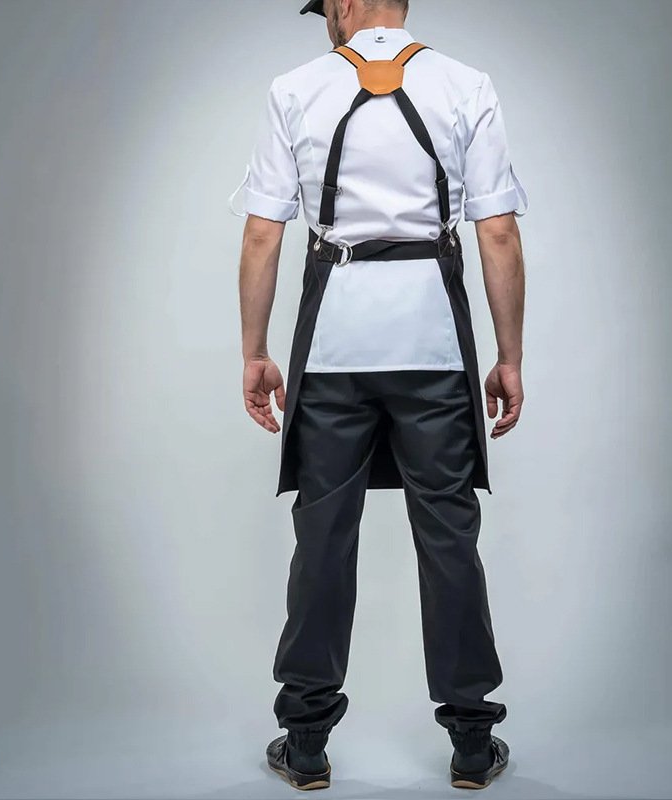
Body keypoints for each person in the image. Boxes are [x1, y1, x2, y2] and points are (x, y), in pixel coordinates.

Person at [231, 0, 528, 790]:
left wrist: (256, 352)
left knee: (323, 534)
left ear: (343, 2)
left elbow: (263, 232)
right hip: (433, 343)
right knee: (449, 533)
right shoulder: (465, 84)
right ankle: (472, 742)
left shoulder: (296, 88)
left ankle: (304, 740)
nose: (324, 20)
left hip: (334, 343)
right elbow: (498, 231)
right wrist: (509, 356)